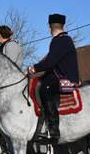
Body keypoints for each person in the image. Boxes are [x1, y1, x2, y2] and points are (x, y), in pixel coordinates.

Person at [27, 14, 79, 142]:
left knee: (45, 89)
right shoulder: (62, 39)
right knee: (38, 82)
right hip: (58, 75)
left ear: (50, 27)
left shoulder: (61, 40)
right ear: (63, 25)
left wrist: (34, 68)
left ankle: (53, 129)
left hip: (67, 79)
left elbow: (50, 62)